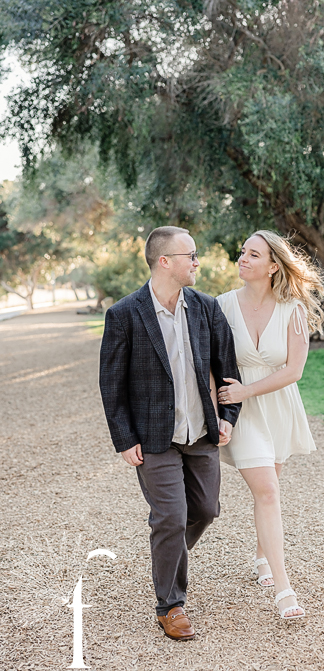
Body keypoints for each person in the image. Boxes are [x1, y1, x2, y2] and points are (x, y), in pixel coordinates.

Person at [99, 226, 241, 641]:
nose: (197, 262)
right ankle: (170, 605)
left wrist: (228, 415)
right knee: (171, 518)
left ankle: (167, 553)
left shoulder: (206, 308)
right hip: (154, 437)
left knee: (206, 511)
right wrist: (124, 439)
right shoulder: (124, 314)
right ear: (165, 261)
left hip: (201, 433)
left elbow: (226, 366)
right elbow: (112, 384)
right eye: (190, 255)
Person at [214, 230, 324, 620]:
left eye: (253, 254)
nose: (243, 258)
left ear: (273, 265)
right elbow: (210, 364)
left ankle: (262, 556)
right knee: (267, 491)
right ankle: (284, 589)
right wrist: (225, 406)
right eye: (242, 251)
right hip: (239, 411)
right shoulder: (221, 306)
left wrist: (249, 390)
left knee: (270, 487)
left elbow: (294, 370)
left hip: (278, 406)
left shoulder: (293, 309)